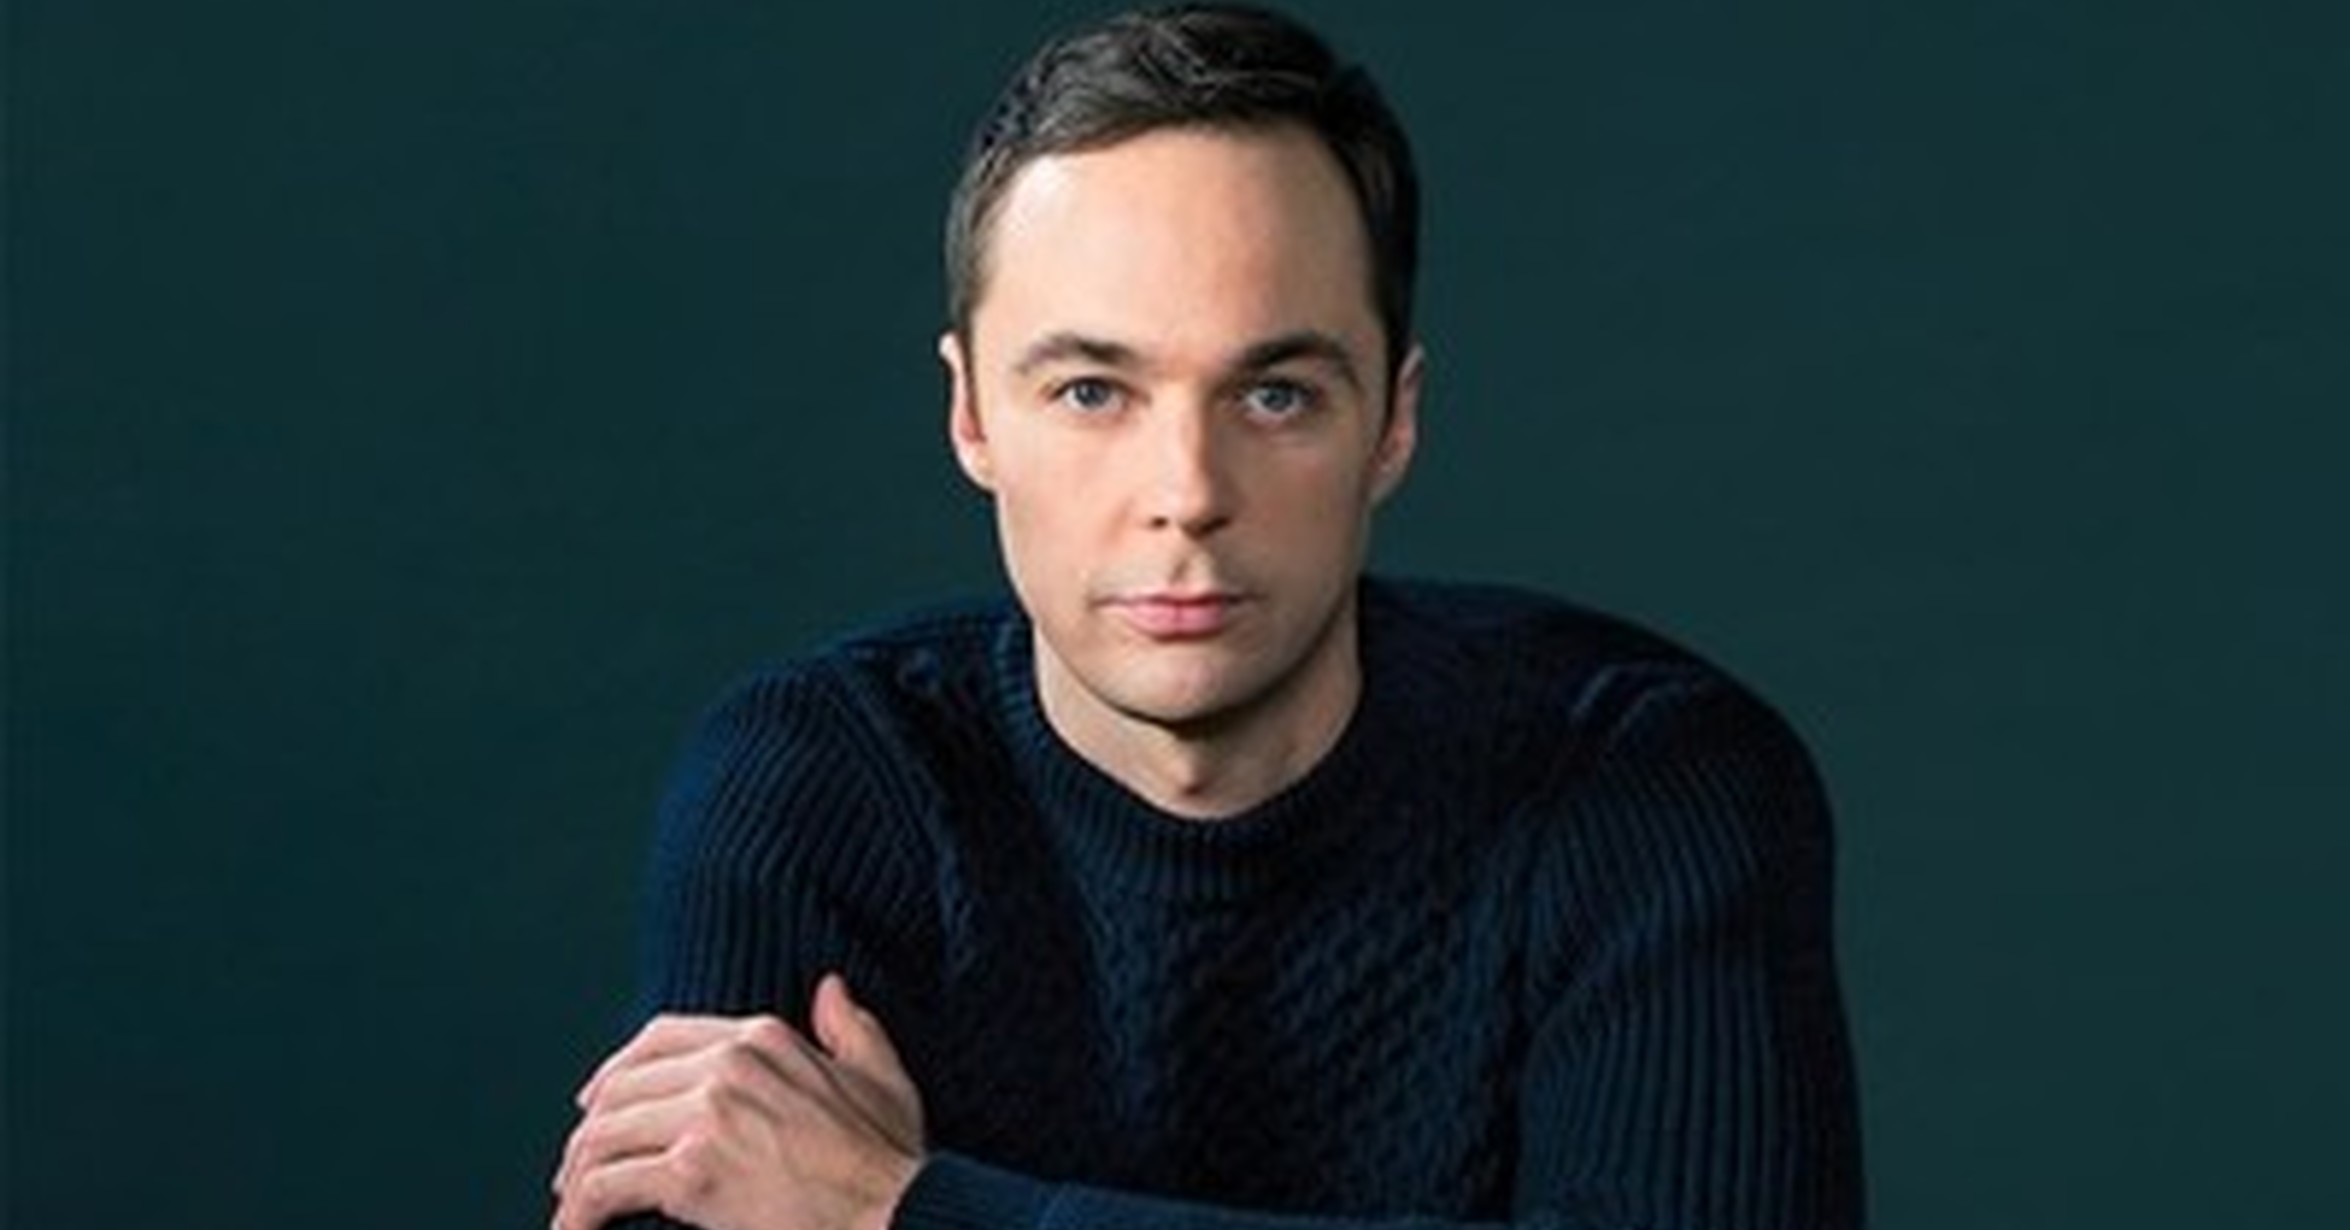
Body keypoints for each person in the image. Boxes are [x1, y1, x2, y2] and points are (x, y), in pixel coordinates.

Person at [549, 5, 1865, 1229]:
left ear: (1392, 421)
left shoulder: (1644, 782)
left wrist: (897, 1207)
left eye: (1274, 394)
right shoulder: (822, 784)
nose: (1186, 494)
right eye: (1090, 392)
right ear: (971, 415)